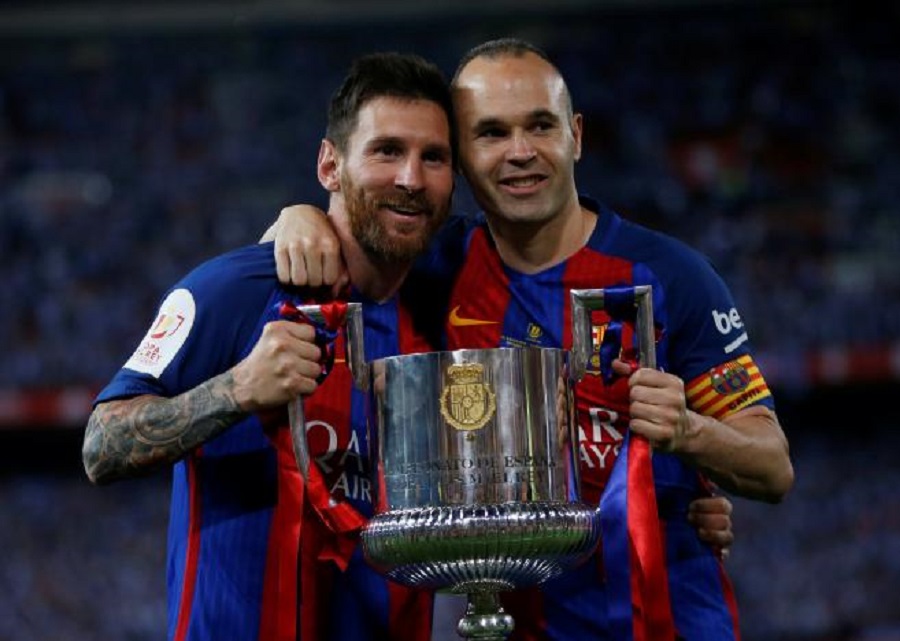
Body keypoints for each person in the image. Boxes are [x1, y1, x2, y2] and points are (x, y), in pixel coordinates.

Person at [269, 38, 793, 641]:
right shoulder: (436, 268)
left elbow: (773, 467)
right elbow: (334, 249)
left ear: (575, 135)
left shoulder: (671, 276)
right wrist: (299, 217)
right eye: (491, 133)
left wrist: (689, 432)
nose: (521, 152)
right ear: (461, 159)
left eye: (540, 125)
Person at [82, 52, 456, 641]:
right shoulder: (232, 290)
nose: (411, 178)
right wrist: (237, 388)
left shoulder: (445, 309)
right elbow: (101, 446)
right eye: (386, 151)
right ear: (330, 165)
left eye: (433, 157)